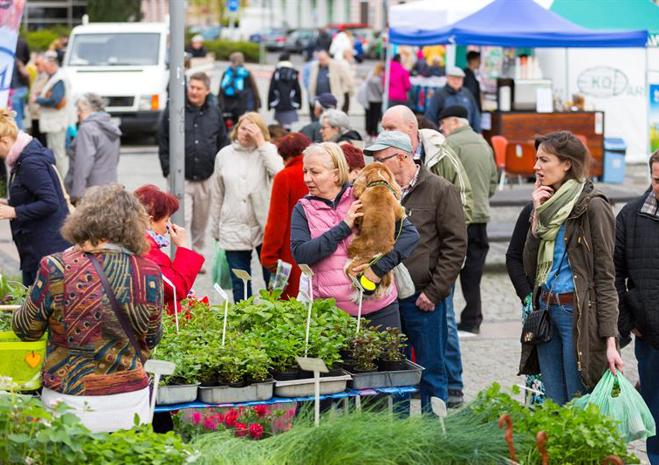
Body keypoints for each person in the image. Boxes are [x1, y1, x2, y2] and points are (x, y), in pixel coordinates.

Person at [12, 184, 163, 433]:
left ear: (84, 220)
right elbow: (152, 337)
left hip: (69, 400)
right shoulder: (149, 271)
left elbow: (26, 330)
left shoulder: (56, 267)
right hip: (129, 401)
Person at [364, 131, 466, 410]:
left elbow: (456, 246)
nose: (376, 166)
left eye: (381, 159)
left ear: (402, 157)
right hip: (385, 299)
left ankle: (433, 429)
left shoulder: (440, 189)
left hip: (423, 298)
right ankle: (399, 430)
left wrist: (435, 291)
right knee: (395, 370)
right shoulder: (378, 192)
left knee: (431, 369)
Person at [520, 131, 624, 406]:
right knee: (554, 403)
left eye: (544, 160)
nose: (536, 167)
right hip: (546, 310)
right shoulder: (547, 205)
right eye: (537, 159)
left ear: (566, 164)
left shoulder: (594, 206)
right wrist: (537, 215)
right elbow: (530, 267)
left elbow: (606, 277)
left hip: (576, 314)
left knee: (578, 402)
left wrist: (611, 340)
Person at [290, 141, 419, 329]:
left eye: (315, 172)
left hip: (380, 310)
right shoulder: (303, 209)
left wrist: (377, 269)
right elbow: (301, 255)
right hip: (330, 316)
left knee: (388, 350)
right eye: (305, 172)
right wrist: (344, 227)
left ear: (336, 174)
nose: (307, 179)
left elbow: (409, 235)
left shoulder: (364, 194)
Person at [614, 150, 659, 465]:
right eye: (657, 180)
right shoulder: (630, 217)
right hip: (651, 334)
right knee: (655, 407)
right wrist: (629, 320)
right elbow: (613, 273)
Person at [209, 112, 283, 301]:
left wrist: (261, 143)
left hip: (263, 226)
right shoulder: (224, 155)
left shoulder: (267, 151)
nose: (246, 133)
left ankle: (273, 315)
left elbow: (279, 173)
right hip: (233, 225)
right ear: (236, 129)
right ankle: (244, 316)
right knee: (240, 282)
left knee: (271, 280)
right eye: (243, 128)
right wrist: (216, 228)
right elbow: (217, 194)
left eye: (252, 129)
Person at [439, 105, 498, 335]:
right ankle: (473, 317)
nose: (442, 128)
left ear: (454, 122)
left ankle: (449, 319)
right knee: (474, 271)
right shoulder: (484, 143)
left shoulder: (450, 144)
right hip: (481, 215)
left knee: (450, 268)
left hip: (460, 217)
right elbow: (493, 182)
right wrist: (481, 199)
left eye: (443, 123)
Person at [159, 72, 227, 256]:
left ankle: (196, 256)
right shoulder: (175, 109)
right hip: (181, 177)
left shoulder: (214, 112)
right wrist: (168, 170)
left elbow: (222, 141)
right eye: (192, 87)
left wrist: (219, 171)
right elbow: (163, 140)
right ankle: (185, 259)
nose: (194, 91)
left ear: (207, 91)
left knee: (200, 222)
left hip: (206, 177)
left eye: (198, 88)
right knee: (183, 220)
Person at [0, 109, 69, 285]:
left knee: (37, 300)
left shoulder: (30, 162)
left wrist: (13, 212)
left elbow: (50, 203)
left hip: (45, 251)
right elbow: (33, 195)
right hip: (38, 249)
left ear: (4, 141)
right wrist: (9, 203)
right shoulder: (24, 157)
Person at [381, 105, 473, 223]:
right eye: (384, 129)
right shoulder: (382, 157)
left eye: (391, 128)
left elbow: (464, 199)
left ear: (411, 127)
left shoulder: (440, 153)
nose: (386, 134)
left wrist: (450, 230)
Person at [135, 184, 204, 314]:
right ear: (149, 221)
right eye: (166, 220)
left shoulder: (140, 244)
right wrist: (183, 246)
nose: (168, 227)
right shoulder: (148, 252)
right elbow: (177, 288)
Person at [261, 133, 311, 299]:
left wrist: (268, 256)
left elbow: (277, 221)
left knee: (289, 302)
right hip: (316, 247)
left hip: (290, 251)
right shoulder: (318, 173)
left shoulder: (285, 176)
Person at [506, 202, 546, 405]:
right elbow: (513, 257)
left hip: (568, 308)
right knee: (536, 374)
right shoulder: (531, 211)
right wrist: (527, 296)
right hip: (536, 310)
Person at [65, 93, 121, 204]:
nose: (77, 113)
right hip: (111, 188)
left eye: (80, 110)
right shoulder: (111, 127)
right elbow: (115, 159)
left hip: (91, 193)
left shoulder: (86, 129)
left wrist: (76, 195)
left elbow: (83, 164)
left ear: (89, 109)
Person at [32, 50, 73, 177]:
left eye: (45, 67)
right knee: (55, 152)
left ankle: (61, 180)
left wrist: (38, 99)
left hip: (56, 122)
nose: (44, 70)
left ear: (52, 65)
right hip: (53, 122)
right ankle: (58, 179)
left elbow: (56, 100)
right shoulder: (55, 77)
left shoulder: (58, 79)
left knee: (58, 154)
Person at [424, 67, 481, 133]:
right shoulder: (439, 94)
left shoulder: (467, 93)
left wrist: (477, 131)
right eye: (453, 78)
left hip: (466, 132)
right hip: (446, 134)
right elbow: (430, 116)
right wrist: (436, 134)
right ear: (448, 78)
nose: (456, 81)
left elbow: (475, 115)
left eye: (459, 78)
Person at [308, 51, 354, 120]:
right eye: (320, 59)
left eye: (323, 59)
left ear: (328, 58)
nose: (321, 61)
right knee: (318, 119)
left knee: (332, 120)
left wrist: (348, 90)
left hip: (332, 99)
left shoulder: (336, 66)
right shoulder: (315, 66)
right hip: (318, 98)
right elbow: (311, 81)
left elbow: (347, 79)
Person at [219, 52, 261, 124]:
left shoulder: (226, 73)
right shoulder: (246, 73)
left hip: (227, 107)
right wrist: (257, 104)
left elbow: (221, 90)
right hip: (242, 107)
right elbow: (254, 90)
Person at [267, 53, 302, 129]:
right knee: (288, 126)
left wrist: (269, 105)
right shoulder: (293, 72)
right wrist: (299, 103)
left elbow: (271, 88)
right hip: (291, 102)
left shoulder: (276, 72)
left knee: (280, 125)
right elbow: (297, 88)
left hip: (278, 102)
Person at [27, 54, 49, 145]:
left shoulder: (47, 77)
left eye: (37, 64)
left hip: (41, 114)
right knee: (36, 139)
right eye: (35, 64)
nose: (36, 66)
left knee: (42, 140)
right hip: (34, 114)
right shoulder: (38, 76)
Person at [10, 38, 30, 130]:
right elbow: (27, 58)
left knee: (16, 118)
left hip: (13, 87)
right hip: (21, 86)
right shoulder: (22, 42)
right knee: (20, 116)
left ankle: (20, 135)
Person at [365, 62, 384, 139]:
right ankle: (374, 131)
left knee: (369, 116)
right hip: (377, 100)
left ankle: (369, 131)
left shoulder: (370, 78)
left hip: (369, 99)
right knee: (376, 117)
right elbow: (381, 90)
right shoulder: (378, 79)